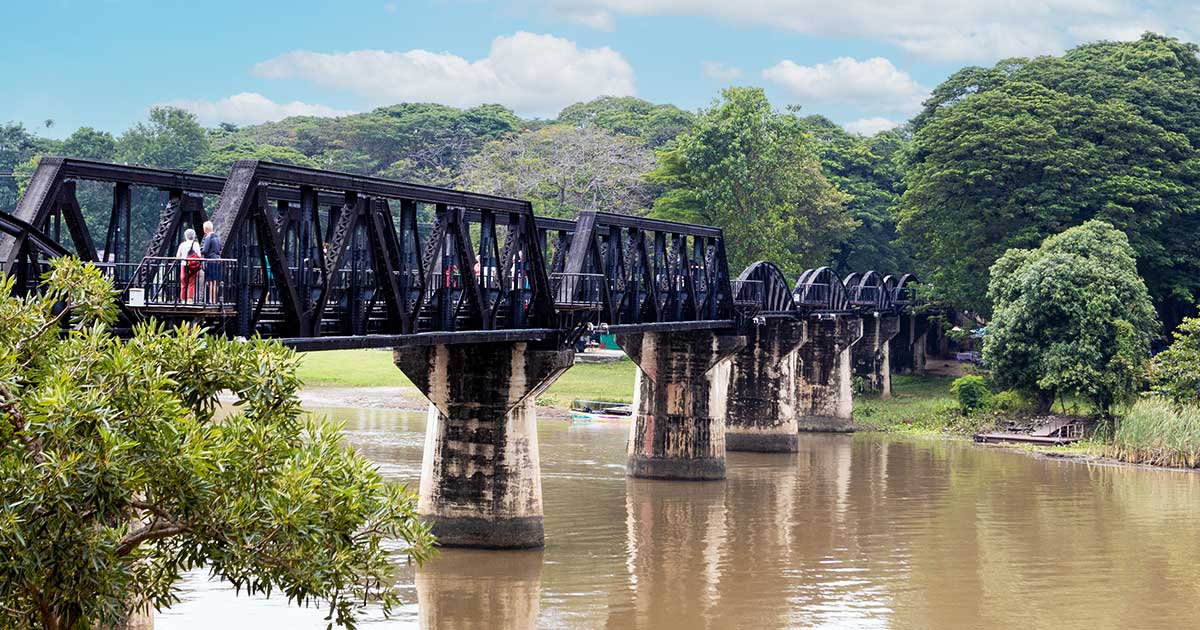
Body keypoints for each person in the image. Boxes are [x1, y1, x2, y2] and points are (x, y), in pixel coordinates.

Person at [176, 229, 202, 304]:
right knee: (191, 283)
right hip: (193, 266)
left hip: (184, 265)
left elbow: (178, 256)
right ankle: (190, 299)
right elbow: (199, 255)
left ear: (185, 236)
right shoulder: (196, 244)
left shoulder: (182, 245)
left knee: (183, 283)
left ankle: (183, 299)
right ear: (194, 236)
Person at [201, 221, 222, 304]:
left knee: (210, 281)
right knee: (215, 281)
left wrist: (199, 251)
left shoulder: (208, 237)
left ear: (206, 229)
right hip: (217, 260)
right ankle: (214, 299)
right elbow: (219, 248)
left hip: (210, 261)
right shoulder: (217, 236)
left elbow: (205, 250)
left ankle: (210, 300)